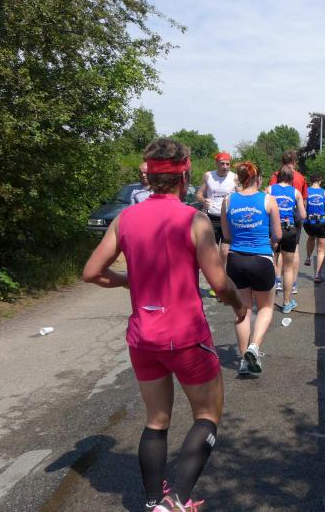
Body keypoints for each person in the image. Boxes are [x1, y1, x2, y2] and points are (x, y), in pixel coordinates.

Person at [82, 138, 247, 511]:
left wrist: (126, 280)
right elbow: (219, 283)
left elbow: (91, 272)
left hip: (143, 338)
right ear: (184, 176)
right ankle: (176, 501)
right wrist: (239, 306)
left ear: (150, 176)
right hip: (185, 336)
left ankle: (154, 501)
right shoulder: (194, 220)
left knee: (156, 420)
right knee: (207, 415)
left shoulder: (125, 219)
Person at [221, 161, 282, 375]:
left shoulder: (228, 200)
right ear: (259, 179)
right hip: (261, 259)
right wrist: (270, 241)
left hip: (236, 260)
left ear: (239, 178)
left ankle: (244, 360)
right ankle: (254, 348)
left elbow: (226, 235)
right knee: (265, 308)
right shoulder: (268, 200)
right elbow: (278, 235)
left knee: (243, 311)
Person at [267, 167, 306, 313]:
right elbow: (303, 215)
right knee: (288, 268)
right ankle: (286, 303)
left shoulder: (269, 189)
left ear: (278, 176)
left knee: (272, 264)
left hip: (273, 230)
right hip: (289, 230)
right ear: (291, 178)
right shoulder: (295, 192)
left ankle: (268, 302)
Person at [196, 151, 238, 266]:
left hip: (228, 218)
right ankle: (216, 272)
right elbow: (199, 194)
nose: (225, 167)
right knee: (213, 250)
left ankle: (222, 271)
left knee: (224, 251)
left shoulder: (235, 177)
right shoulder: (208, 176)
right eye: (222, 164)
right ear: (216, 163)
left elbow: (242, 194)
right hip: (212, 217)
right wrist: (204, 200)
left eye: (227, 164)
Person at [303, 173, 325, 283]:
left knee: (311, 237)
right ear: (320, 181)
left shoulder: (306, 191)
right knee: (321, 250)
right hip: (321, 222)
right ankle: (317, 275)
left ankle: (308, 257)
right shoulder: (324, 192)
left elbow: (303, 207)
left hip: (309, 222)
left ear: (311, 181)